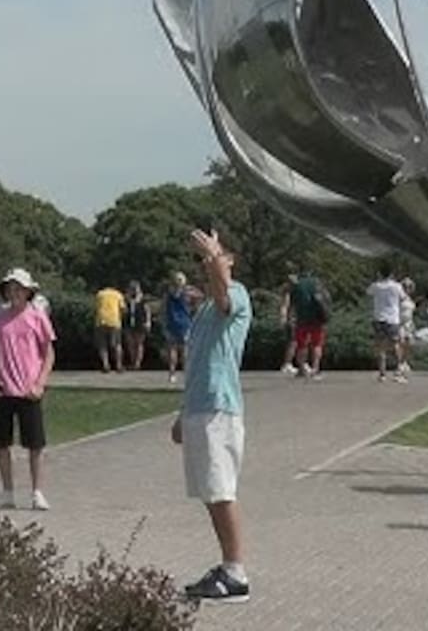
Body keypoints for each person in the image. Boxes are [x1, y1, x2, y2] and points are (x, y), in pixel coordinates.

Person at [170, 229, 254, 603]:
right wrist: (182, 413)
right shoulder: (204, 308)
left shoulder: (234, 295)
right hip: (200, 409)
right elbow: (200, 364)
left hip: (220, 409)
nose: (204, 265)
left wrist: (214, 255)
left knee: (221, 490)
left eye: (214, 258)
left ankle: (236, 572)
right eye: (201, 260)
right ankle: (226, 567)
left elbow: (222, 293)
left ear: (230, 261)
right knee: (209, 491)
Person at [0, 267, 56, 511]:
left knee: (35, 444)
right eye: (10, 289)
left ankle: (37, 491)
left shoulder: (37, 317)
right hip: (4, 389)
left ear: (28, 292)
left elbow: (48, 352)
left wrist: (40, 383)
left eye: (19, 289)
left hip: (29, 389)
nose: (14, 293)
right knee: (1, 443)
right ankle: (7, 491)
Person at [289, 268, 330, 380]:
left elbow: (292, 303)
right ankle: (315, 369)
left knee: (302, 345)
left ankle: (302, 369)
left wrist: (291, 316)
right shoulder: (318, 284)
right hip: (317, 319)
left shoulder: (297, 286)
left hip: (301, 319)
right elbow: (326, 298)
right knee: (317, 344)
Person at [367, 265, 406, 383]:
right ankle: (398, 371)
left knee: (380, 347)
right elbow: (403, 298)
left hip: (379, 318)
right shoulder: (396, 286)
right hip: (392, 319)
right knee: (395, 345)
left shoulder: (376, 286)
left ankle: (382, 373)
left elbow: (368, 292)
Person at [164, 272, 193, 384]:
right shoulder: (187, 293)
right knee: (185, 349)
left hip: (172, 323)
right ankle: (186, 373)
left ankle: (172, 374)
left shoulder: (168, 294)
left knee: (172, 349)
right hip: (185, 323)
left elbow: (164, 309)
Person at [94, 284, 125, 373]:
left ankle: (106, 365)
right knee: (117, 344)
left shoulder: (100, 294)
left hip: (101, 320)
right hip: (114, 321)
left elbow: (96, 308)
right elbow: (122, 308)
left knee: (102, 345)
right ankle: (119, 365)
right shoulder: (118, 294)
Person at [277, 265, 301, 376]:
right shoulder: (288, 290)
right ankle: (287, 364)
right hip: (292, 318)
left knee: (295, 341)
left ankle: (293, 363)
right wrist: (283, 318)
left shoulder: (292, 289)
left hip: (295, 317)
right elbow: (284, 305)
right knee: (293, 341)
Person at [123, 280, 151, 371]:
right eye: (132, 288)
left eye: (135, 288)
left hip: (140, 322)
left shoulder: (142, 299)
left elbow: (147, 311)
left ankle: (137, 363)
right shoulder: (126, 299)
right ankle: (133, 361)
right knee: (130, 343)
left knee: (139, 343)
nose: (134, 290)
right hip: (129, 323)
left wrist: (148, 322)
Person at [398, 278, 417, 375]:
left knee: (409, 343)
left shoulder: (410, 300)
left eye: (409, 287)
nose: (407, 289)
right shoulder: (399, 299)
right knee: (401, 342)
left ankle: (405, 361)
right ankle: (400, 363)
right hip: (400, 323)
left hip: (409, 323)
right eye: (405, 286)